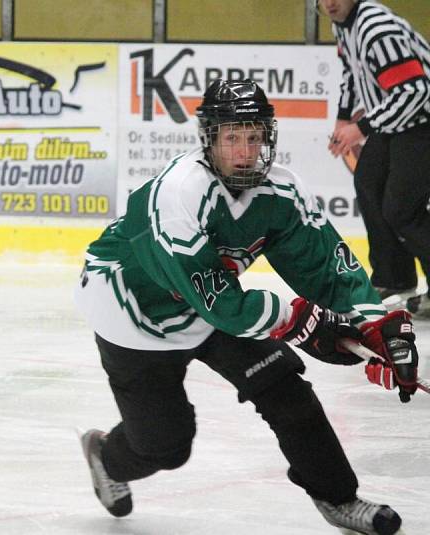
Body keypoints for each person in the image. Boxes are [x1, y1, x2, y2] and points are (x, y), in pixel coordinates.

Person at [74, 79, 418, 534]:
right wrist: (300, 321)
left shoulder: (280, 193)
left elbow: (325, 269)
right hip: (134, 313)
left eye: (253, 137)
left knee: (284, 387)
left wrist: (380, 323)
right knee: (167, 446)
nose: (243, 151)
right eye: (231, 138)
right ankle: (106, 456)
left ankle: (339, 498)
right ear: (209, 138)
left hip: (211, 306)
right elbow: (217, 299)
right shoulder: (179, 194)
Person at [319, 0, 430, 316]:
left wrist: (361, 127)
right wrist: (343, 118)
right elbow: (352, 75)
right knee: (368, 181)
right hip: (399, 120)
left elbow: (416, 91)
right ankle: (394, 278)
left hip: (423, 120)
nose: (329, 2)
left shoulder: (374, 27)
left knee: (402, 210)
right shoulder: (343, 23)